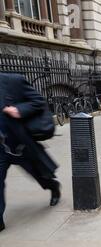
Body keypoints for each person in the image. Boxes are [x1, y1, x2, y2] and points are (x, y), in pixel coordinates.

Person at [0, 73, 61, 232]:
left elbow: (38, 101)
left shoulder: (13, 81)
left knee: (39, 174)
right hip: (0, 148)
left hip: (19, 144)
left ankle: (53, 186)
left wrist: (19, 109)